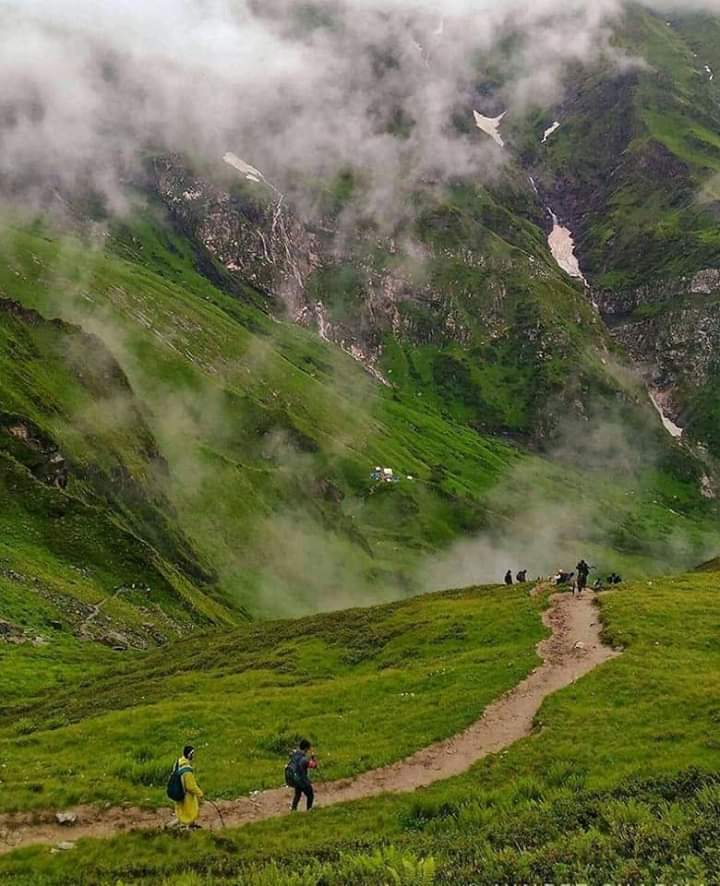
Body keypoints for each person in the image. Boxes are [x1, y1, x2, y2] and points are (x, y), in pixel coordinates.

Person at [172, 745, 204, 829]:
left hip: (178, 792)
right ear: (189, 755)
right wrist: (200, 793)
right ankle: (187, 829)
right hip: (187, 796)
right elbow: (190, 786)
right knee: (189, 812)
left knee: (182, 812)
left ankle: (184, 826)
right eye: (193, 754)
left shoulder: (178, 763)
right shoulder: (187, 770)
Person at [287, 739, 315, 811]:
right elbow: (313, 766)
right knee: (310, 795)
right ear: (306, 748)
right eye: (308, 748)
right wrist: (313, 759)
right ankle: (309, 809)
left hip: (295, 779)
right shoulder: (304, 759)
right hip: (302, 780)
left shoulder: (295, 754)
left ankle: (293, 809)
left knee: (297, 794)